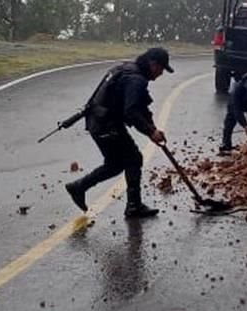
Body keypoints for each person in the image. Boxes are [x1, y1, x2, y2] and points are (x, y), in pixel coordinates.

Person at [65, 48, 173, 219]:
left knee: (116, 164)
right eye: (161, 69)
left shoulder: (127, 69)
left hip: (99, 122)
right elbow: (131, 112)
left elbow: (141, 107)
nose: (160, 74)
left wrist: (152, 129)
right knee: (133, 158)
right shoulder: (136, 79)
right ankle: (133, 206)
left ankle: (79, 187)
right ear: (153, 64)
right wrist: (150, 132)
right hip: (105, 125)